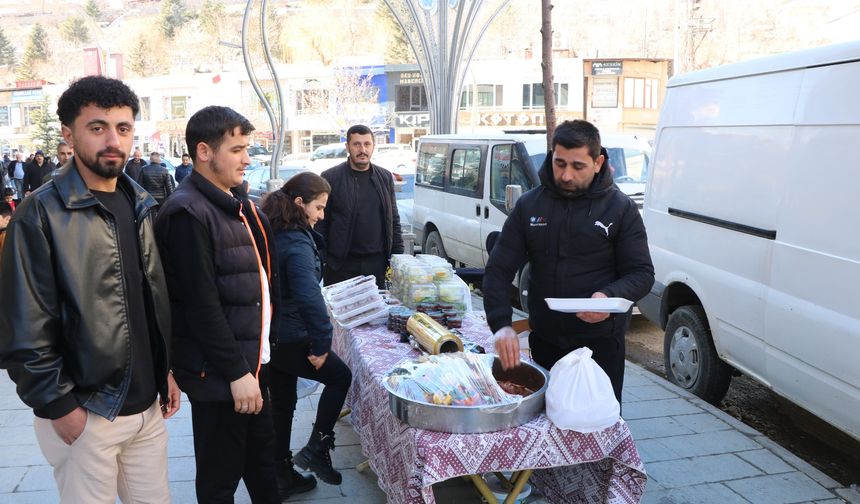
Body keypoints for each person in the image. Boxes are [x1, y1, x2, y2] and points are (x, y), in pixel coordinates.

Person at [0, 75, 180, 502]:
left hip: (147, 408)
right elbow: (24, 324)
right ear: (69, 133)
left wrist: (165, 368)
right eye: (97, 128)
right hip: (87, 410)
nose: (113, 140)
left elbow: (146, 299)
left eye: (123, 128)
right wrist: (59, 406)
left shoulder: (140, 203)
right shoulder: (40, 214)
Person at [155, 105, 281, 503]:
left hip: (250, 365)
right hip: (223, 375)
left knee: (264, 470)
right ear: (205, 152)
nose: (247, 159)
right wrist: (236, 373)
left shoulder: (232, 201)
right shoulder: (188, 211)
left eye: (248, 148)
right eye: (238, 149)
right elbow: (200, 305)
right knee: (219, 479)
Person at [484, 120, 654, 403]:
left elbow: (641, 273)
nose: (565, 175)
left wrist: (609, 297)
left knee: (596, 429)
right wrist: (501, 325)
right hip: (546, 342)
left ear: (598, 162)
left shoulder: (620, 208)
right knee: (546, 424)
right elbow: (499, 269)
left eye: (577, 166)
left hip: (600, 347)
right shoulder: (530, 205)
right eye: (559, 163)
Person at [261, 172, 352, 495]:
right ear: (299, 203)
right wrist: (321, 341)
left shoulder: (276, 229)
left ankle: (280, 475)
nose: (321, 215)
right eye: (319, 207)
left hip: (275, 336)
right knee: (340, 377)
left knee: (283, 402)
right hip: (292, 335)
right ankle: (317, 450)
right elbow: (308, 294)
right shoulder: (296, 241)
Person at [316, 124, 403, 288]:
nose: (362, 149)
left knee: (376, 313)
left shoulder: (384, 177)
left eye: (367, 144)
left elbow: (393, 219)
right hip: (341, 266)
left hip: (377, 265)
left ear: (373, 147)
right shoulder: (330, 177)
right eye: (357, 144)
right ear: (347, 146)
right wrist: (323, 257)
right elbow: (320, 222)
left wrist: (397, 257)